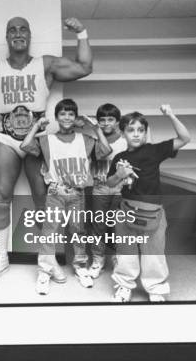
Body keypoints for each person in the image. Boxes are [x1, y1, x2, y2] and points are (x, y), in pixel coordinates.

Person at [0, 16, 93, 283]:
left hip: (38, 139)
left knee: (44, 200)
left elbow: (85, 67)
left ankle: (47, 261)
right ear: (6, 37)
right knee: (1, 196)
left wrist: (81, 32)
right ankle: (1, 258)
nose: (17, 33)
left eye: (22, 29)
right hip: (6, 138)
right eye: (12, 30)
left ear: (29, 35)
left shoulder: (46, 64)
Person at [20, 99, 111, 294]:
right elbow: (25, 145)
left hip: (77, 193)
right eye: (63, 114)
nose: (67, 117)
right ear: (57, 117)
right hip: (55, 191)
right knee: (49, 231)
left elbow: (106, 150)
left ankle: (79, 266)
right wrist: (37, 125)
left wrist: (95, 128)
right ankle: (44, 271)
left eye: (71, 114)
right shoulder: (47, 140)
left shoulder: (85, 139)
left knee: (78, 230)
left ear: (75, 117)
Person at [106, 105, 191, 302]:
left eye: (140, 130)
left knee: (153, 252)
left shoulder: (154, 151)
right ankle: (124, 285)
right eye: (130, 130)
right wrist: (120, 174)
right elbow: (110, 183)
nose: (136, 134)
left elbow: (185, 138)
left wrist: (171, 114)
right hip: (126, 210)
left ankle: (156, 288)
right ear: (122, 133)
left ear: (145, 133)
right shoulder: (119, 157)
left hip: (152, 212)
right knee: (125, 251)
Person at [88, 103, 128, 278]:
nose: (106, 123)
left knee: (119, 226)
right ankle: (98, 260)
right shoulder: (94, 141)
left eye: (110, 119)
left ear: (117, 121)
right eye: (102, 120)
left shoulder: (125, 141)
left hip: (121, 189)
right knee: (98, 225)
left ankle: (119, 259)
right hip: (100, 189)